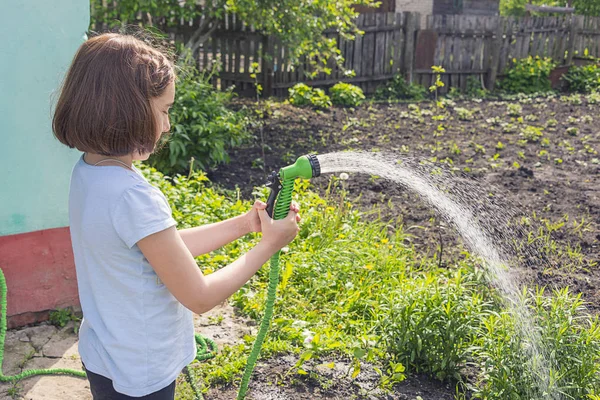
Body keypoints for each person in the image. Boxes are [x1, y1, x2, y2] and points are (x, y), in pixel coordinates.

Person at [52, 32, 301, 399]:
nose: (167, 125)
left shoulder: (90, 170)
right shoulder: (132, 196)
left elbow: (157, 252)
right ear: (128, 111)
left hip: (105, 352)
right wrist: (268, 245)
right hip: (143, 369)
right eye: (164, 110)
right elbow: (199, 296)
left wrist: (245, 225)